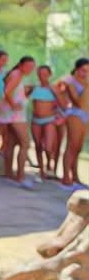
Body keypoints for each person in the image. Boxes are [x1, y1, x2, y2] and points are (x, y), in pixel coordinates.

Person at [0, 56, 36, 186]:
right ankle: (20, 177)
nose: (30, 69)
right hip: (15, 115)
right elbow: (7, 92)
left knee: (11, 143)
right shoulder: (17, 74)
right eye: (28, 66)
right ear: (20, 65)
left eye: (32, 67)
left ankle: (8, 173)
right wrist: (14, 105)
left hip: (10, 113)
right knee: (25, 144)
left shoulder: (16, 74)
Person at [58, 58, 89, 188]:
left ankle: (75, 176)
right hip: (75, 114)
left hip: (86, 116)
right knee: (72, 145)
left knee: (78, 148)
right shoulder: (70, 81)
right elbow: (78, 102)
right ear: (76, 69)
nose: (85, 73)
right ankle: (65, 177)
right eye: (83, 70)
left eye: (88, 71)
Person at [29, 65, 64, 179]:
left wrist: (61, 117)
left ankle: (49, 164)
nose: (42, 76)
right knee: (38, 145)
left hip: (49, 119)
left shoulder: (53, 88)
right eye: (40, 74)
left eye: (44, 74)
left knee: (48, 147)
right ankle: (41, 170)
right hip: (35, 120)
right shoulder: (34, 88)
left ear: (49, 75)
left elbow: (63, 104)